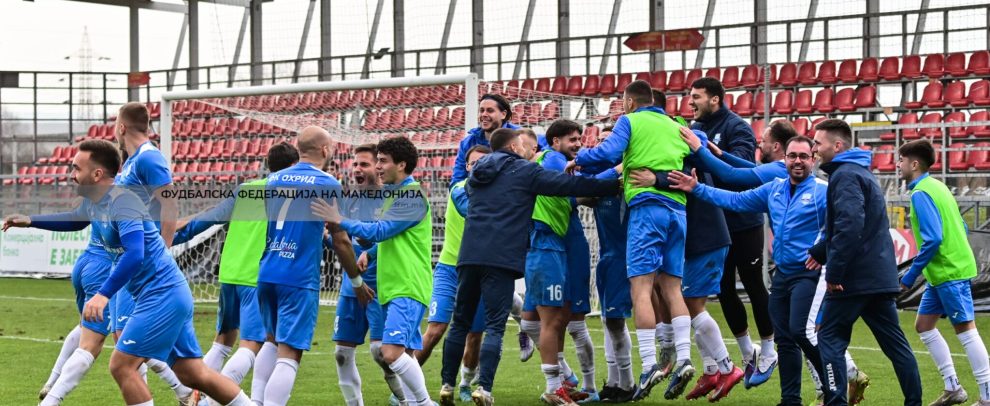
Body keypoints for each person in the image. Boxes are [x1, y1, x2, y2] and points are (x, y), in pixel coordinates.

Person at [5, 139, 252, 405]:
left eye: (76, 168)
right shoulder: (95, 201)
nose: (71, 174)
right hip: (160, 294)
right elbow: (74, 219)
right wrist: (30, 221)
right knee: (192, 373)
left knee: (122, 365)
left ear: (97, 174)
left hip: (162, 294)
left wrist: (103, 294)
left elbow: (135, 253)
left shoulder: (123, 202)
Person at [440, 128, 620, 406]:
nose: (530, 151)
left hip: (468, 255)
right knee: (496, 326)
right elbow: (568, 185)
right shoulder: (524, 171)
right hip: (501, 257)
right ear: (514, 147)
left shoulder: (475, 175)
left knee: (460, 323)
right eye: (525, 146)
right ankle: (484, 388)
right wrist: (612, 185)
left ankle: (447, 385)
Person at [660, 136, 829, 406]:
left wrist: (823, 251)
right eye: (792, 156)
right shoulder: (775, 188)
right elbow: (736, 200)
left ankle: (834, 388)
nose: (798, 161)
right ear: (784, 159)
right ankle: (790, 400)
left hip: (810, 273)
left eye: (803, 156)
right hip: (783, 275)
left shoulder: (823, 190)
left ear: (813, 159)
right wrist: (697, 188)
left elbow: (844, 224)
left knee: (802, 332)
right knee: (785, 339)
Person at [569, 79, 694, 401]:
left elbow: (608, 152)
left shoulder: (631, 122)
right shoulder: (677, 125)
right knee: (671, 288)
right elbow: (699, 154)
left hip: (647, 210)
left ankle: (649, 364)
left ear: (628, 102)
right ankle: (683, 357)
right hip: (678, 211)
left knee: (641, 289)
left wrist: (581, 157)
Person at [170, 142, 299, 404]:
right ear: (294, 167)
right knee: (252, 345)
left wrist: (171, 236)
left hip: (229, 273)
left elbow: (209, 218)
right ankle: (209, 401)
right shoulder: (290, 196)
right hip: (256, 277)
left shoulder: (245, 190)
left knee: (223, 340)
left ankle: (195, 394)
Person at [313, 136, 436, 406]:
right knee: (395, 353)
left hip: (407, 284)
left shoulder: (411, 196)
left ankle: (423, 403)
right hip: (393, 286)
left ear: (401, 164)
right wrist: (368, 252)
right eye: (376, 161)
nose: (378, 167)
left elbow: (380, 231)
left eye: (382, 161)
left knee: (389, 353)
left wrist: (340, 219)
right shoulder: (394, 195)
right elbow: (386, 238)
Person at [254, 126, 371, 406]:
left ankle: (254, 402)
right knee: (289, 353)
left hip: (268, 270)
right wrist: (356, 282)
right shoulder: (328, 183)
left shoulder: (273, 180)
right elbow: (341, 240)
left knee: (271, 341)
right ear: (325, 150)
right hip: (298, 276)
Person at [808, 119, 922, 406]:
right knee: (897, 347)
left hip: (852, 280)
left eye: (818, 143)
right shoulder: (861, 172)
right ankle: (914, 402)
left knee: (829, 339)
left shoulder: (845, 175)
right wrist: (820, 251)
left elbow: (850, 225)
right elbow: (861, 227)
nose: (814, 148)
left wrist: (834, 272)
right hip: (878, 277)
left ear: (837, 145)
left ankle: (835, 402)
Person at [629, 126, 742, 402]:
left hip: (707, 239)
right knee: (683, 301)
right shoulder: (683, 156)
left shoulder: (688, 158)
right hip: (699, 240)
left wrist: (653, 178)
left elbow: (679, 176)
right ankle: (712, 371)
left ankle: (727, 368)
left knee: (691, 305)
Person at [688, 78, 774, 373]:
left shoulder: (737, 127)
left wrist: (707, 154)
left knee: (753, 284)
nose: (691, 102)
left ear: (714, 99)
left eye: (696, 96)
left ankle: (769, 350)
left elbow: (741, 170)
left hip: (744, 221)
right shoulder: (695, 128)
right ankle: (748, 351)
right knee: (723, 289)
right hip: (715, 223)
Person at [897, 139, 990, 406]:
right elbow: (961, 225)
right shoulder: (937, 186)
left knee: (966, 331)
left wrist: (910, 275)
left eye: (901, 160)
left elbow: (933, 239)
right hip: (944, 273)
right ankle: (953, 388)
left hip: (950, 272)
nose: (898, 165)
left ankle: (987, 397)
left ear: (914, 164)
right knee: (924, 326)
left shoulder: (920, 194)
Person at [112, 102, 195, 403]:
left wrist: (165, 246)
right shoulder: (132, 161)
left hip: (146, 262)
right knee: (122, 338)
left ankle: (185, 391)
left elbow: (170, 202)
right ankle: (185, 391)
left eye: (115, 124)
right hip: (130, 263)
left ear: (122, 126)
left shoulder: (149, 157)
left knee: (125, 349)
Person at [326, 143, 407, 406]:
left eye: (364, 164)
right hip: (351, 286)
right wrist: (326, 236)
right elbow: (342, 241)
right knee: (341, 353)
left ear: (378, 167)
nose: (357, 169)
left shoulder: (391, 199)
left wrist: (370, 249)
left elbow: (394, 239)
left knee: (380, 353)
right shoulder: (349, 200)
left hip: (381, 287)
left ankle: (406, 399)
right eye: (355, 164)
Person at [421, 145, 491, 403]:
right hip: (450, 269)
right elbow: (474, 210)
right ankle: (406, 384)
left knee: (475, 334)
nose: (477, 166)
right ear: (467, 166)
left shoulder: (497, 193)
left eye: (484, 162)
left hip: (480, 271)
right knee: (436, 329)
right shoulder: (459, 189)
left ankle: (464, 383)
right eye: (473, 162)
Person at [584, 126, 635, 403]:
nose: (603, 145)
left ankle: (627, 384)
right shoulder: (602, 177)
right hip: (606, 257)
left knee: (615, 321)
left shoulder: (628, 177)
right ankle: (614, 382)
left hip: (622, 258)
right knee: (607, 320)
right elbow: (585, 188)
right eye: (601, 141)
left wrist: (619, 169)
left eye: (609, 141)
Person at [450, 93, 521, 185]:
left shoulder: (520, 137)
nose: (484, 114)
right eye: (481, 110)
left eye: (490, 111)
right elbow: (457, 180)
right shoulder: (467, 143)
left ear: (503, 114)